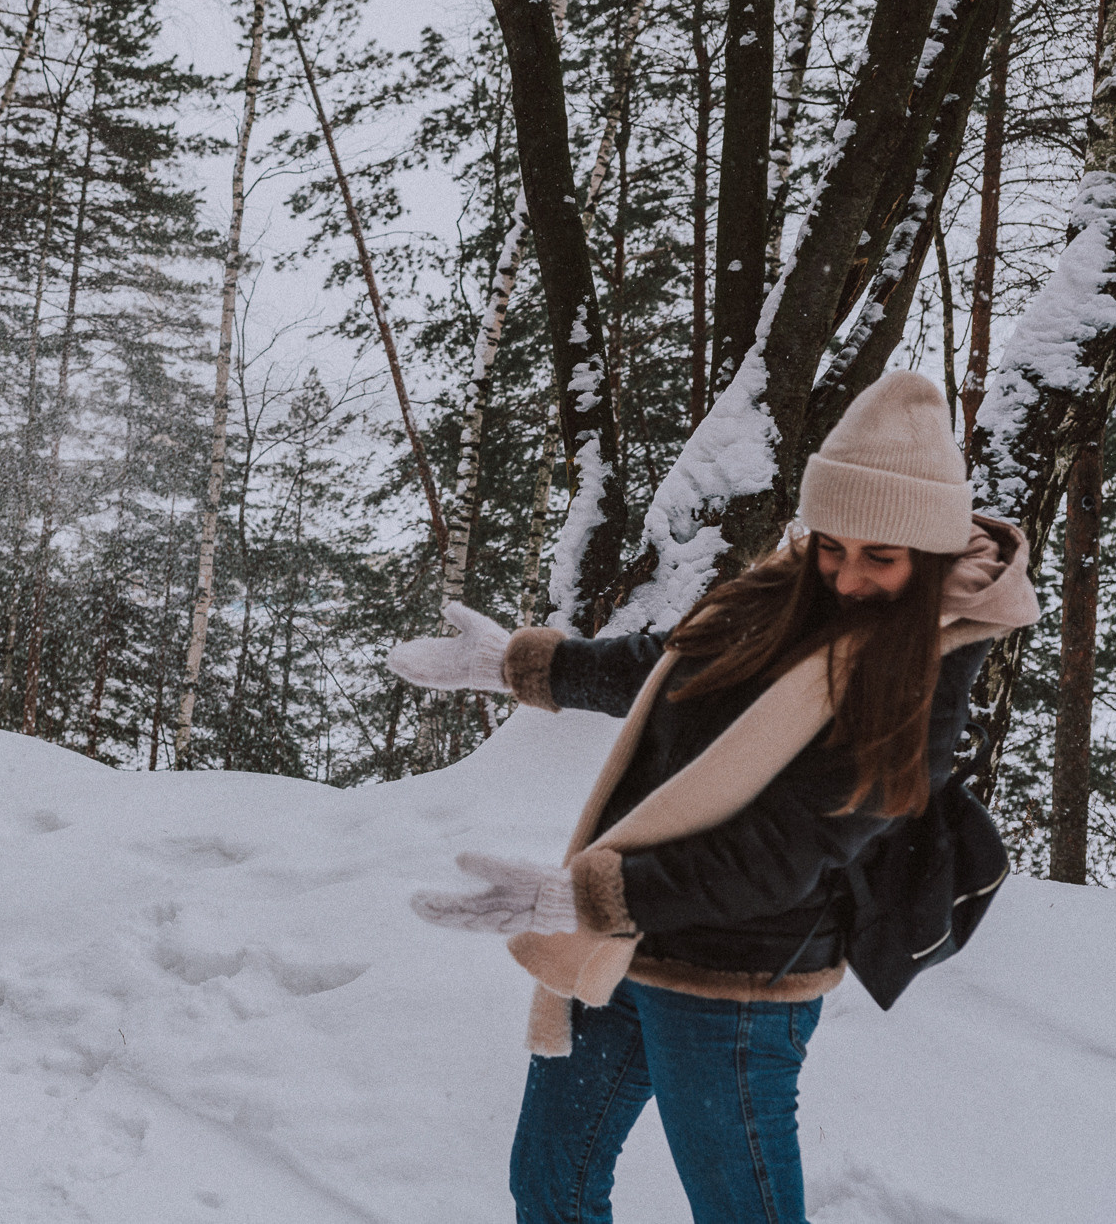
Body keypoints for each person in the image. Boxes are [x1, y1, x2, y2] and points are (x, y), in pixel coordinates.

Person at [390, 371, 1039, 1222]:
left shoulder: (920, 678)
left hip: (734, 987)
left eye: (879, 558)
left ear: (928, 555)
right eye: (833, 545)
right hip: (626, 946)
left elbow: (784, 852)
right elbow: (672, 667)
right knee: (551, 1185)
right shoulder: (783, 588)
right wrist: (523, 665)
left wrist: (580, 897)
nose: (846, 578)